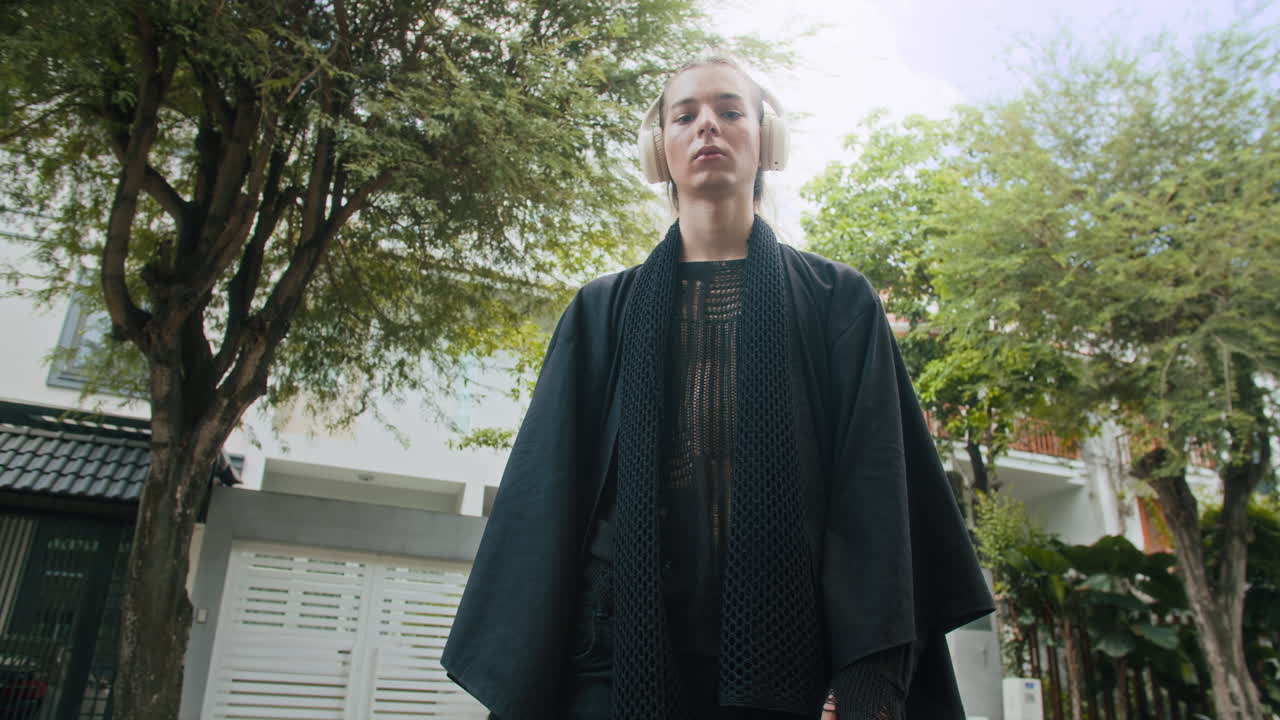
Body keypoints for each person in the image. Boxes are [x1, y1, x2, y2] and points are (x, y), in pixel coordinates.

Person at [442, 56, 993, 720]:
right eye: (686, 115)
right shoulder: (599, 312)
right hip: (616, 662)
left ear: (766, 140)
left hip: (791, 664)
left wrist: (865, 683)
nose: (709, 127)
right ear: (660, 149)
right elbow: (547, 498)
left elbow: (874, 497)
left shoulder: (838, 303)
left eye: (731, 111)